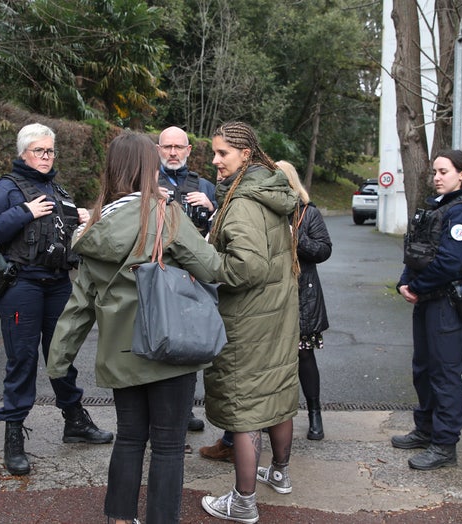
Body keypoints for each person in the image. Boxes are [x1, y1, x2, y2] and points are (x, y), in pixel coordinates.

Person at [46, 131, 223, 524]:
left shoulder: (93, 228)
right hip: (171, 345)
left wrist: (59, 362)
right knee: (169, 446)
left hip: (121, 352)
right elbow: (211, 267)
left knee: (128, 438)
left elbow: (79, 306)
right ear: (149, 169)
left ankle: (120, 518)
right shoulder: (167, 214)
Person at [0, 123, 113, 477]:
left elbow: (67, 239)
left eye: (50, 151)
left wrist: (84, 221)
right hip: (22, 286)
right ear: (23, 154)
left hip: (58, 283)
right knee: (23, 359)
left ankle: (74, 420)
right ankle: (14, 435)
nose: (46, 157)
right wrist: (24, 212)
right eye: (39, 151)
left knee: (62, 354)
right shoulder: (6, 189)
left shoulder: (58, 190)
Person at [200, 121, 300, 523]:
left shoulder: (242, 201)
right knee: (275, 395)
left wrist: (205, 261)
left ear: (246, 154)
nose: (215, 161)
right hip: (277, 312)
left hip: (249, 319)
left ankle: (243, 502)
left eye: (222, 153)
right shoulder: (270, 190)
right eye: (214, 153)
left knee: (245, 407)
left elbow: (246, 268)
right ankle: (280, 472)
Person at [391, 149, 462, 470]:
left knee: (445, 374)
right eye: (434, 172)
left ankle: (445, 445)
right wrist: (405, 281)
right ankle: (426, 428)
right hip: (428, 301)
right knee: (423, 369)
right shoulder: (437, 208)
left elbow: (448, 262)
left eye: (443, 171)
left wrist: (416, 287)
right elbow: (415, 251)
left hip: (446, 303)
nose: (437, 177)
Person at [156, 125, 218, 433]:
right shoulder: (145, 184)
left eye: (178, 147)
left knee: (191, 344)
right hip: (158, 277)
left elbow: (223, 231)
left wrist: (211, 207)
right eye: (167, 147)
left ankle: (185, 408)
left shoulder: (206, 186)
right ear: (159, 150)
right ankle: (160, 412)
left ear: (189, 150)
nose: (172, 152)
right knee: (160, 341)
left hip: (194, 279)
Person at [277, 160, 332, 441]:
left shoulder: (308, 213)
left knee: (304, 356)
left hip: (302, 296)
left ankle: (314, 413)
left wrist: (295, 239)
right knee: (271, 359)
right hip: (272, 296)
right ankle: (272, 416)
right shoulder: (265, 210)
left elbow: (324, 250)